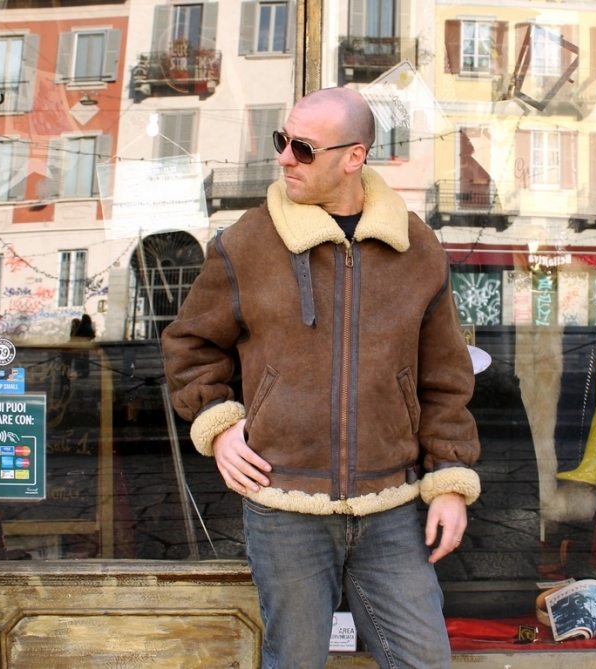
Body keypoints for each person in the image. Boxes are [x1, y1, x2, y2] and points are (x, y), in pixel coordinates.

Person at [162, 87, 480, 668]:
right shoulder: (248, 243)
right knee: (295, 661)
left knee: (425, 660)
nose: (284, 158)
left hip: (390, 506)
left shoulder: (416, 248)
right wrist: (220, 425)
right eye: (282, 141)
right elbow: (190, 343)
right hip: (284, 506)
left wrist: (451, 480)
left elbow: (444, 377)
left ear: (354, 156)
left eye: (303, 148)